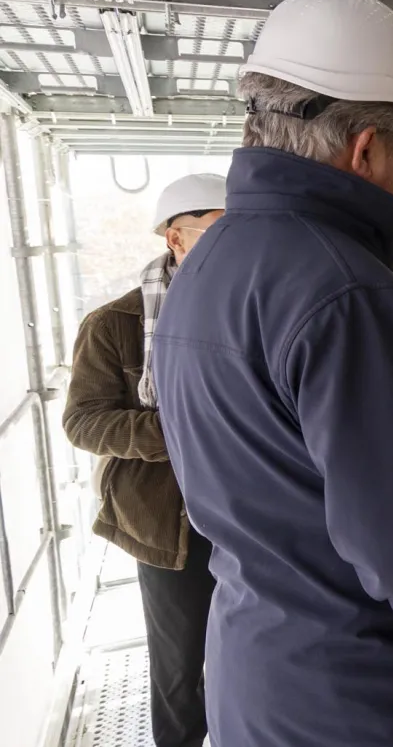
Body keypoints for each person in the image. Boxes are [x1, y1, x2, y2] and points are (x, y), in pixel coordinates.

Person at [150, 0, 393, 747]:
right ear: (366, 148)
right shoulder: (349, 293)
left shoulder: (206, 269)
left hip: (261, 681)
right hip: (367, 701)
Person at [62, 173, 226, 747]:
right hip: (165, 523)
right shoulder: (115, 325)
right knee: (180, 668)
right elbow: (83, 421)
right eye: (215, 231)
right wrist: (184, 434)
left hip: (249, 515)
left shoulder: (254, 310)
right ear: (174, 239)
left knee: (251, 658)